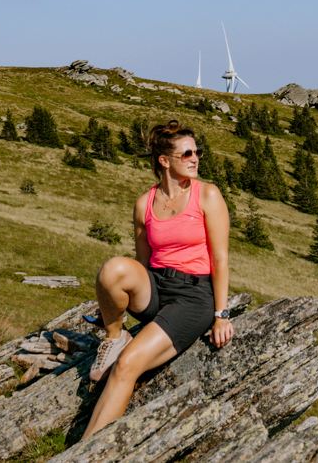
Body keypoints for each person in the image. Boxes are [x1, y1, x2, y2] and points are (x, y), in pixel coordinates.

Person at [82, 120, 233, 438]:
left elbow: (220, 259)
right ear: (165, 160)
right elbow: (141, 263)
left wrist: (221, 316)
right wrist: (114, 306)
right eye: (187, 153)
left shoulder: (207, 195)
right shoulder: (144, 204)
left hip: (193, 296)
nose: (196, 158)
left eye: (198, 152)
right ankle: (114, 337)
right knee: (113, 269)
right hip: (157, 286)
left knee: (127, 365)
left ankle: (86, 451)